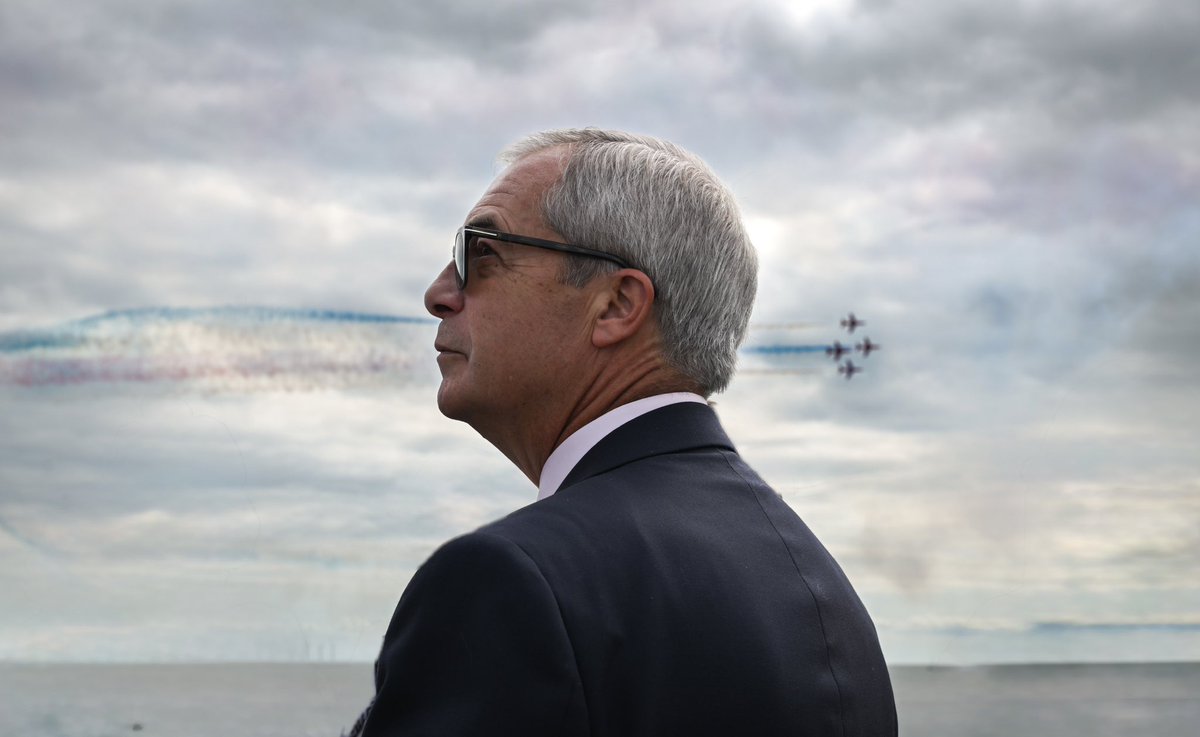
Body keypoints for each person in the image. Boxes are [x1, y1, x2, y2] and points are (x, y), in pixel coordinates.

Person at [346, 128, 896, 736]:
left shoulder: (512, 581)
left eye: (481, 253)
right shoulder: (830, 604)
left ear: (615, 305)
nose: (439, 294)